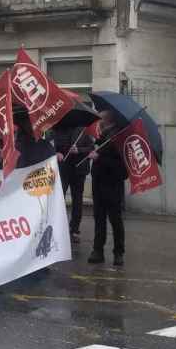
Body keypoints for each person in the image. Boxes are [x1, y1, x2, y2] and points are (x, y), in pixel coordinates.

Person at [87, 110, 127, 267]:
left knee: (115, 221)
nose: (99, 120)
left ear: (107, 119)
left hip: (113, 187)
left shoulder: (118, 138)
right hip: (99, 185)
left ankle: (118, 253)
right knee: (99, 219)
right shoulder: (102, 136)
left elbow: (121, 168)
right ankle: (98, 250)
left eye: (101, 117)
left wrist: (99, 158)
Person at [52, 124, 93, 243]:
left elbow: (91, 147)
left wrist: (79, 150)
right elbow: (52, 145)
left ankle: (74, 229)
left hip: (79, 170)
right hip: (63, 168)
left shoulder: (83, 130)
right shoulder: (58, 129)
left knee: (77, 200)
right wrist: (57, 153)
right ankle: (58, 227)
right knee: (59, 198)